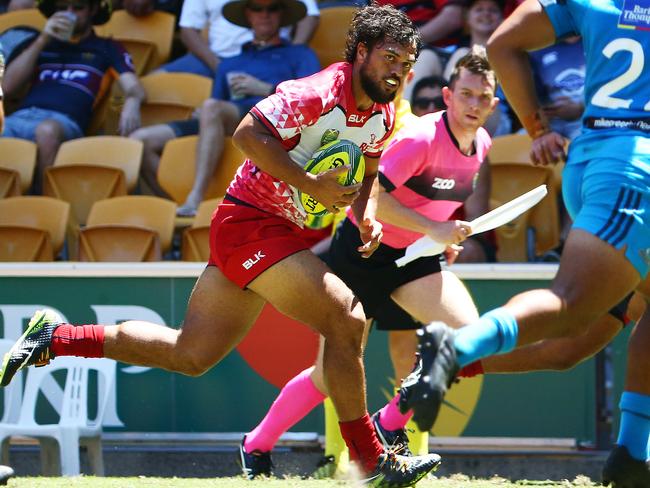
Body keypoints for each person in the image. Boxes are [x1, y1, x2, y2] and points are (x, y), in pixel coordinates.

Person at [0, 4, 443, 486]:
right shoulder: (315, 92)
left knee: (190, 355)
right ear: (361, 52)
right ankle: (369, 459)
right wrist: (309, 184)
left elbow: (369, 173)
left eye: (406, 63)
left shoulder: (380, 113)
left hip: (274, 232)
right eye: (390, 59)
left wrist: (367, 216)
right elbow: (246, 133)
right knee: (347, 317)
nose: (398, 72)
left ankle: (55, 338)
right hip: (249, 223)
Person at [399, 1, 650, 486]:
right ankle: (455, 348)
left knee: (572, 345)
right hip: (633, 173)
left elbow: (501, 43)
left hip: (594, 159)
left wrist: (537, 128)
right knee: (570, 305)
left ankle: (631, 456)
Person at [240, 45, 494, 477]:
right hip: (362, 255)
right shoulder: (419, 137)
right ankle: (257, 444)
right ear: (448, 96)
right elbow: (369, 203)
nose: (473, 105)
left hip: (415, 261)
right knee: (327, 375)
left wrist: (441, 235)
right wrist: (432, 229)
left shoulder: (482, 144)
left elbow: (440, 200)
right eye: (466, 94)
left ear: (493, 104)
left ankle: (389, 423)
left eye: (482, 97)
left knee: (468, 341)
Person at [129, 0, 321, 216]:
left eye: (272, 8)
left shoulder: (300, 53)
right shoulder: (230, 63)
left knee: (212, 108)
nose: (264, 15)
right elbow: (215, 104)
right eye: (257, 9)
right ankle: (177, 206)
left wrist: (266, 89)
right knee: (141, 141)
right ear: (248, 15)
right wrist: (204, 113)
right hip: (230, 118)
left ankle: (196, 198)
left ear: (282, 14)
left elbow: (312, 101)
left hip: (271, 122)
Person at [0, 0, 144, 192]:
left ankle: (42, 205)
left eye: (78, 7)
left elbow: (134, 86)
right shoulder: (38, 43)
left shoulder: (107, 47)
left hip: (65, 122)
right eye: (61, 9)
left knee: (46, 131)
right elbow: (6, 88)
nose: (69, 14)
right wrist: (43, 39)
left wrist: (133, 102)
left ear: (92, 10)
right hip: (20, 117)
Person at [158, 0, 319, 78]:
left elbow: (309, 16)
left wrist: (293, 55)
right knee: (153, 81)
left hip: (269, 56)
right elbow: (188, 29)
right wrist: (219, 66)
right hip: (214, 58)